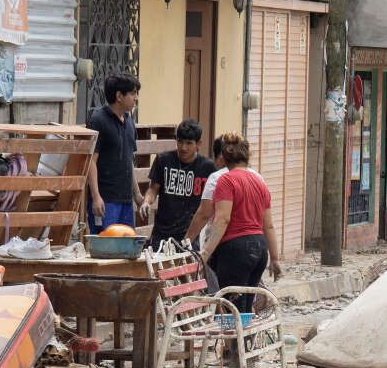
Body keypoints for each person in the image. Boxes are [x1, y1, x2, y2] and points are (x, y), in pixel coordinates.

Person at [200, 133, 282, 312]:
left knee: (232, 310)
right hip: (259, 251)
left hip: (236, 251)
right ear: (247, 155)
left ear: (223, 157)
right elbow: (268, 225)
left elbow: (222, 219)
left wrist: (205, 253)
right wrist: (275, 259)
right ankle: (246, 340)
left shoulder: (226, 181)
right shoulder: (260, 183)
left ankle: (236, 341)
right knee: (245, 308)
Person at [142, 119, 215, 249]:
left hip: (189, 235)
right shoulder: (163, 160)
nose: (183, 147)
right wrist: (147, 201)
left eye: (189, 143)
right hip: (161, 233)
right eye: (180, 141)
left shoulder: (208, 167)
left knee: (187, 269)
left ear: (198, 144)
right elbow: (153, 189)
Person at [86, 73, 144, 230]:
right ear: (119, 96)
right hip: (106, 201)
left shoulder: (130, 122)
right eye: (133, 93)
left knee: (126, 247)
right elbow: (91, 161)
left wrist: (137, 194)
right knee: (106, 248)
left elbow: (128, 160)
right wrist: (96, 196)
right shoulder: (98, 120)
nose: (136, 98)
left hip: (126, 201)